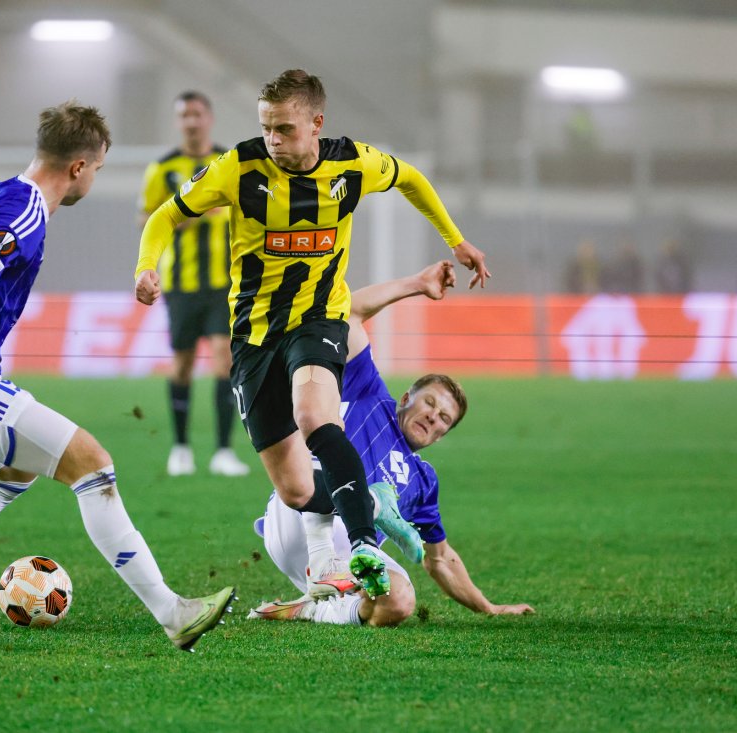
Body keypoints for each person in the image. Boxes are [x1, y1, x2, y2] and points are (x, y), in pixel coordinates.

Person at [0, 101, 234, 652]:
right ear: (79, 167)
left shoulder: (6, 192)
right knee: (93, 463)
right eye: (97, 169)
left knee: (17, 470)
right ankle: (174, 612)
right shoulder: (26, 209)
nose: (94, 179)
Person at [134, 69, 491, 602]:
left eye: (285, 128)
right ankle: (369, 502)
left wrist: (456, 240)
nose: (274, 140)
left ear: (316, 123)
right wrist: (146, 266)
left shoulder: (354, 163)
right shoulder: (238, 167)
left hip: (318, 318)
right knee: (297, 489)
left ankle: (364, 544)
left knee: (315, 416)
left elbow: (412, 178)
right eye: (267, 127)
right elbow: (165, 216)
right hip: (253, 336)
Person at [248, 261, 534, 626]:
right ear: (405, 398)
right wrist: (416, 283)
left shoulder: (423, 480)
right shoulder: (369, 394)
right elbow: (348, 314)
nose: (434, 416)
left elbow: (439, 558)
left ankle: (317, 608)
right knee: (325, 443)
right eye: (430, 403)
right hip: (298, 514)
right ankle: (370, 502)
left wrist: (488, 606)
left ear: (443, 435)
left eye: (444, 418)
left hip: (350, 552)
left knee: (398, 603)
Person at [138, 91, 249, 478]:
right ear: (178, 121)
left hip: (224, 283)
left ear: (210, 118)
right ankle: (181, 448)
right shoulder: (163, 169)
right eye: (184, 115)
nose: (191, 121)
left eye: (197, 113)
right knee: (183, 364)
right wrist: (190, 213)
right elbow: (146, 219)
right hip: (182, 283)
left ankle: (222, 451)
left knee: (226, 358)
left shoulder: (229, 163)